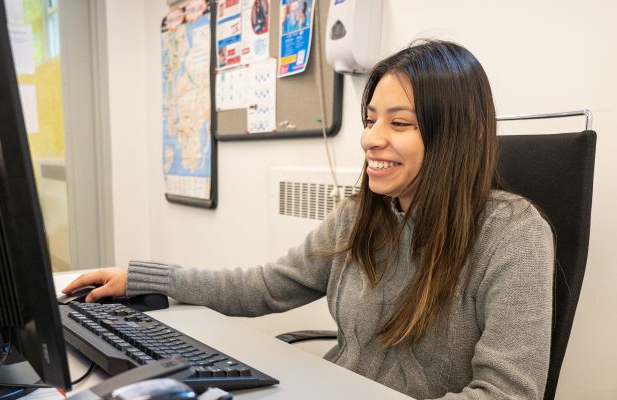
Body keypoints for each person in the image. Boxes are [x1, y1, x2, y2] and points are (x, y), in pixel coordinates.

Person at [63, 40, 554, 399]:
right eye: (370, 119)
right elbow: (264, 286)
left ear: (455, 137)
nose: (370, 139)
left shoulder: (512, 234)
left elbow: (508, 394)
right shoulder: (364, 214)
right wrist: (143, 278)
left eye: (398, 123)